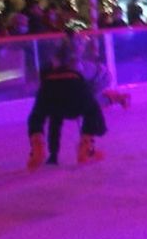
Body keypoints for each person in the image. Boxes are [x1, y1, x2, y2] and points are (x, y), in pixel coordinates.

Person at [27, 39, 108, 169]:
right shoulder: (84, 67)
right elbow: (93, 103)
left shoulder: (51, 66)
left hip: (49, 88)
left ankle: (38, 143)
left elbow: (45, 117)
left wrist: (53, 155)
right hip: (74, 89)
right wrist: (101, 128)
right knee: (92, 111)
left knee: (40, 116)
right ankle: (85, 147)